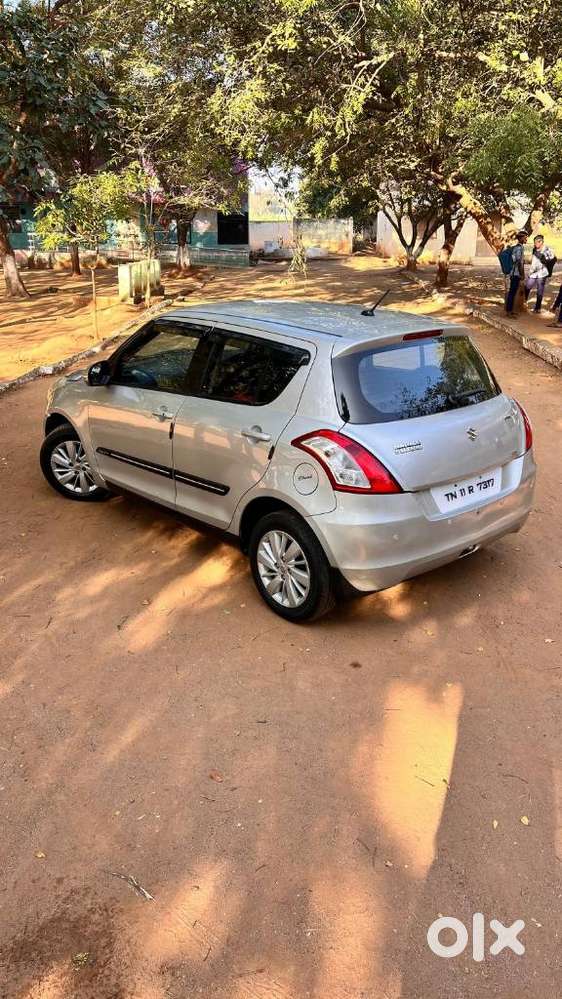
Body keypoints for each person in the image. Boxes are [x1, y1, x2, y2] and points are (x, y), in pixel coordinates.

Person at [524, 234, 556, 313]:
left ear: (541, 242)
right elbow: (533, 260)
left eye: (537, 242)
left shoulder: (547, 249)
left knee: (540, 291)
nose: (535, 244)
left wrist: (544, 258)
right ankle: (523, 303)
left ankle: (537, 308)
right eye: (534, 243)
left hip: (542, 273)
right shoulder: (534, 249)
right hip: (533, 272)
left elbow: (552, 259)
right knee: (527, 287)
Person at [505, 230, 528, 317]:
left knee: (513, 292)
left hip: (514, 273)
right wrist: (522, 274)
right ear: (521, 238)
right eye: (525, 238)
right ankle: (508, 312)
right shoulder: (519, 248)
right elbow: (519, 263)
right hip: (515, 274)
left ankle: (510, 310)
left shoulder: (519, 247)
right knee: (512, 293)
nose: (526, 239)